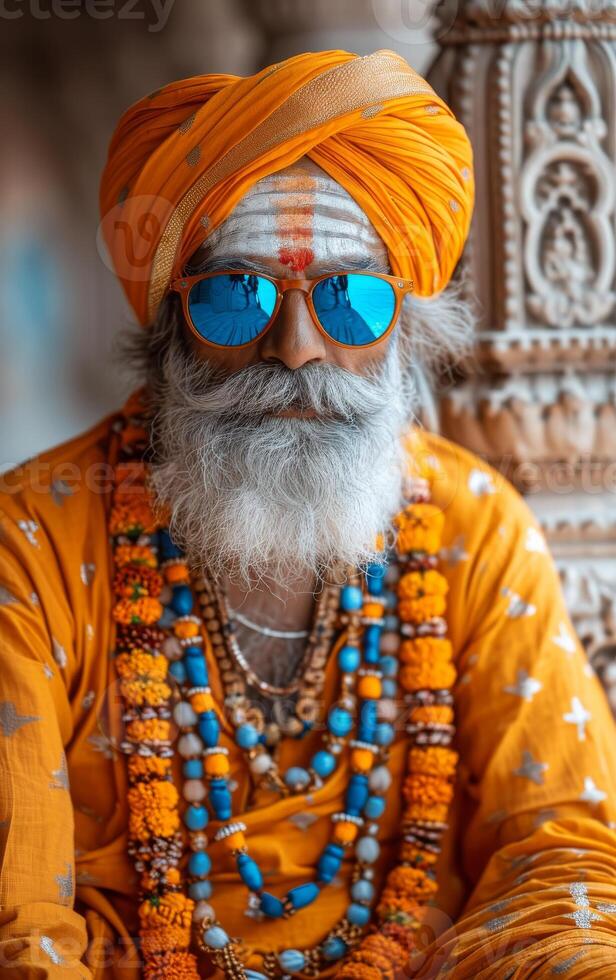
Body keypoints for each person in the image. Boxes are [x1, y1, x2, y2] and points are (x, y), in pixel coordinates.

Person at [0, 49, 615, 980]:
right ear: (170, 327)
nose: (296, 348)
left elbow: (565, 856)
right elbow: (20, 926)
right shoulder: (35, 542)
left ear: (406, 336)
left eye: (351, 300)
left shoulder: (472, 528)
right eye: (237, 295)